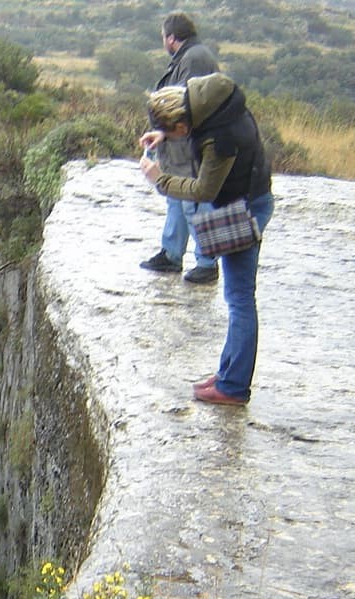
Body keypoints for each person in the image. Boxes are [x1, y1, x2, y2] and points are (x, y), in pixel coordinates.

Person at [138, 72, 274, 405]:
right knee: (235, 295)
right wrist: (163, 134)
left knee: (240, 298)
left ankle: (233, 387)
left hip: (243, 209)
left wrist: (160, 180)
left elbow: (204, 188)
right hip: (249, 198)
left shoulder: (219, 139)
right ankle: (229, 373)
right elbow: (191, 128)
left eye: (173, 131)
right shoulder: (213, 101)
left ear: (183, 126)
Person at [138, 11, 221, 284]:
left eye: (164, 37)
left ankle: (207, 263)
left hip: (189, 147)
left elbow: (186, 106)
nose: (163, 41)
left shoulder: (194, 59)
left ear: (172, 38)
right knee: (178, 199)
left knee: (193, 203)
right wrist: (163, 133)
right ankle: (171, 254)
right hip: (179, 144)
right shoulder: (191, 56)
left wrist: (167, 130)